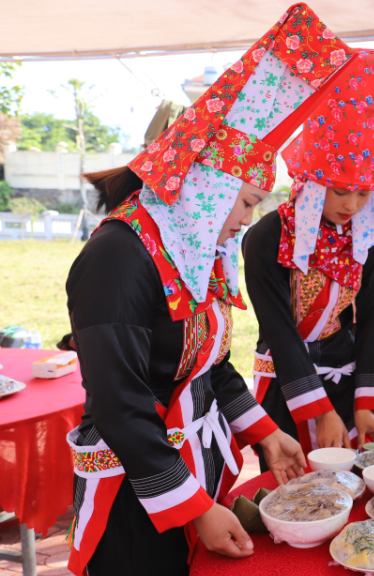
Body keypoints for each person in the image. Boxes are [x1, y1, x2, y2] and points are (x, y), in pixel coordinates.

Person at [63, 5, 354, 574]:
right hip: (135, 493)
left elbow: (211, 368)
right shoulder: (118, 256)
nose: (246, 219)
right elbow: (121, 407)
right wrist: (193, 508)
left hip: (193, 469)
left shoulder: (193, 255)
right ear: (205, 186)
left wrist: (268, 434)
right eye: (245, 202)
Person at [243, 48, 374, 461]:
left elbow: (370, 321)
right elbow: (278, 327)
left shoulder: (365, 242)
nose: (351, 205)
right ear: (312, 183)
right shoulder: (268, 236)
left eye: (363, 194)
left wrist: (363, 402)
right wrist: (319, 408)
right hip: (283, 384)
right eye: (340, 191)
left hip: (343, 382)